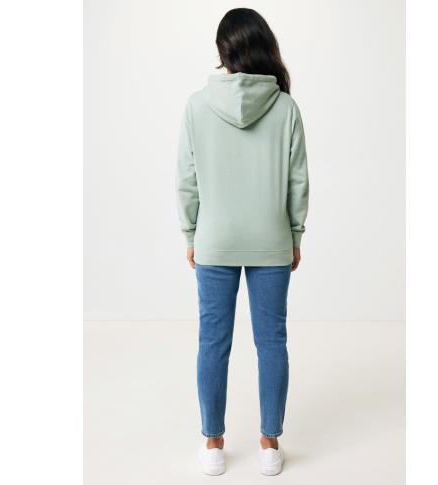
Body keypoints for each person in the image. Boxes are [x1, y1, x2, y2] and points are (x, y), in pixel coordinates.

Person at [176, 7, 309, 476]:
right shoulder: (286, 107)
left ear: (223, 51)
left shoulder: (197, 106)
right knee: (272, 342)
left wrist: (191, 233)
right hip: (271, 239)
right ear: (264, 46)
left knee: (212, 342)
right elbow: (297, 181)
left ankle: (213, 443)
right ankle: (269, 444)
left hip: (215, 239)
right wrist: (295, 234)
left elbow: (186, 179)